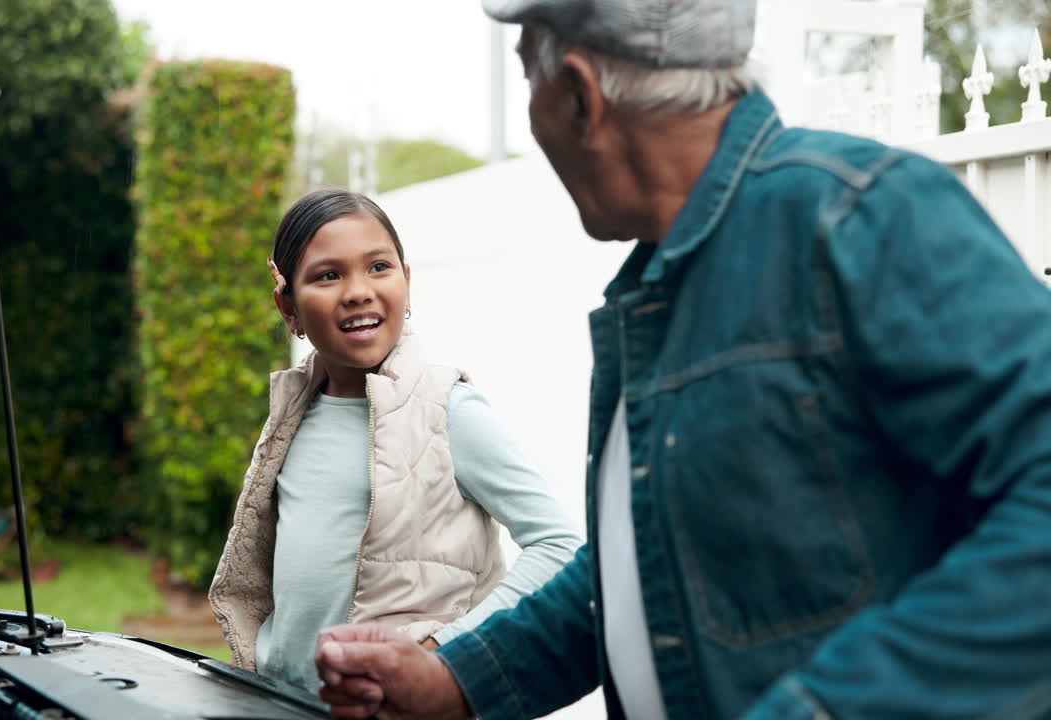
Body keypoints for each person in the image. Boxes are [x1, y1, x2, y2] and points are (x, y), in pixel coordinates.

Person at [313, 1, 1051, 718]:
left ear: (579, 94)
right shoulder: (660, 278)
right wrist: (457, 683)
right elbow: (647, 571)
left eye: (527, 79)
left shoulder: (860, 215)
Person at [207, 188, 581, 692]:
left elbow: (559, 546)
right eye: (327, 275)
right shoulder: (291, 414)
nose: (358, 290)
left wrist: (443, 652)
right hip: (283, 701)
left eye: (378, 267)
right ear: (288, 308)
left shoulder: (448, 409)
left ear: (407, 282)